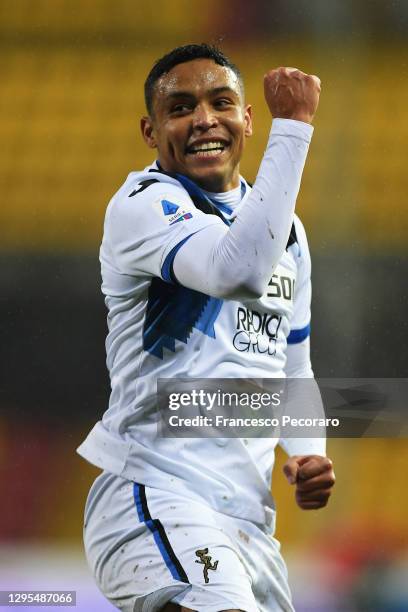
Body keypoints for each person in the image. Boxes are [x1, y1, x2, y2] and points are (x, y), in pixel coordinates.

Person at [78, 44, 335, 612]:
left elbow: (294, 364)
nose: (203, 120)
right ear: (151, 130)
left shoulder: (286, 232)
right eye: (181, 107)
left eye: (222, 103)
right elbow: (236, 271)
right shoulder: (144, 204)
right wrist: (292, 128)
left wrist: (309, 451)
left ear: (246, 119)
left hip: (248, 522)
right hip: (154, 491)